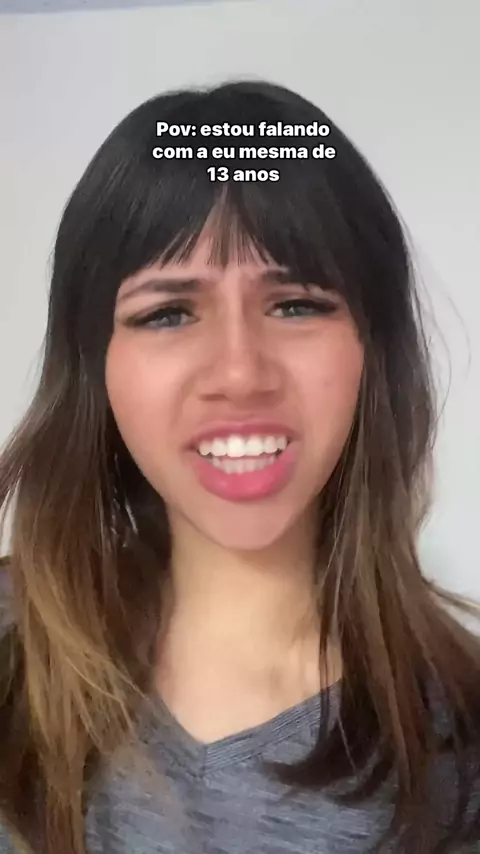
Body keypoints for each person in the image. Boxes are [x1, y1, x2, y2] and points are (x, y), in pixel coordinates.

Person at [0, 79, 479, 854]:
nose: (239, 373)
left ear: (374, 350)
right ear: (95, 369)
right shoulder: (11, 644)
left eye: (296, 304)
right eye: (167, 313)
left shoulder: (459, 741)